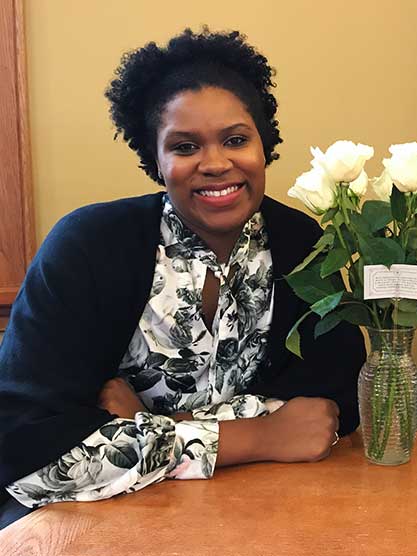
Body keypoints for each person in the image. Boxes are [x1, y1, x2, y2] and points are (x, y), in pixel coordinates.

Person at [0, 28, 365, 527]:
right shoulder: (87, 245)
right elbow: (27, 452)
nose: (215, 164)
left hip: (264, 506)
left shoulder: (303, 244)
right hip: (92, 520)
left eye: (236, 139)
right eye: (185, 145)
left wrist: (151, 426)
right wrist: (257, 437)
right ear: (155, 159)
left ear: (266, 145)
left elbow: (327, 414)